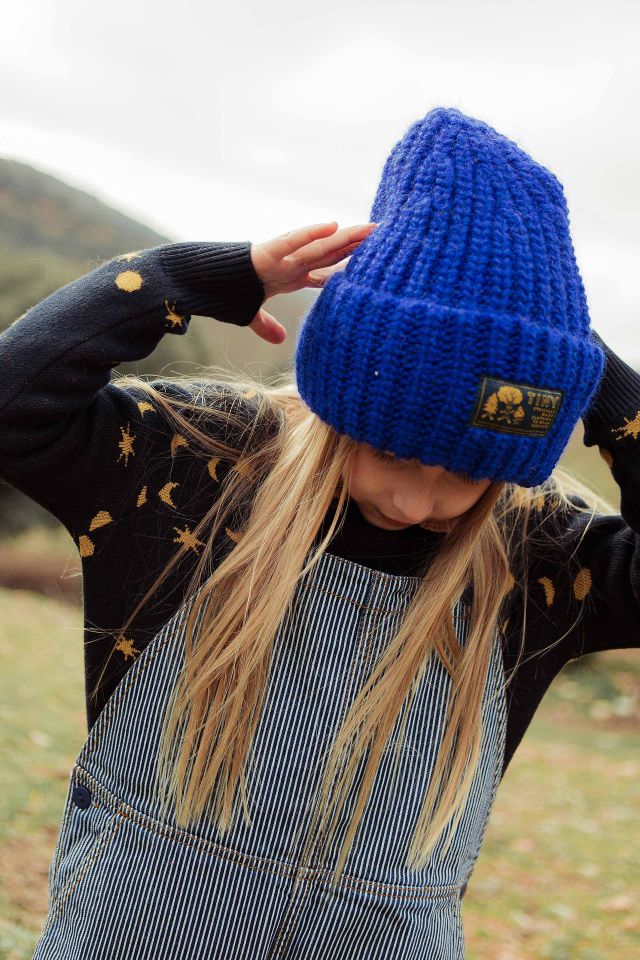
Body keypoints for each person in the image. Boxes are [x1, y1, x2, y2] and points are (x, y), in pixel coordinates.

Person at [0, 106, 638, 958]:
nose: (410, 502)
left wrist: (595, 382)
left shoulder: (537, 562)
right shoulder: (198, 469)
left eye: (465, 474)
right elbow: (13, 404)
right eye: (389, 452)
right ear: (341, 397)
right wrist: (189, 280)